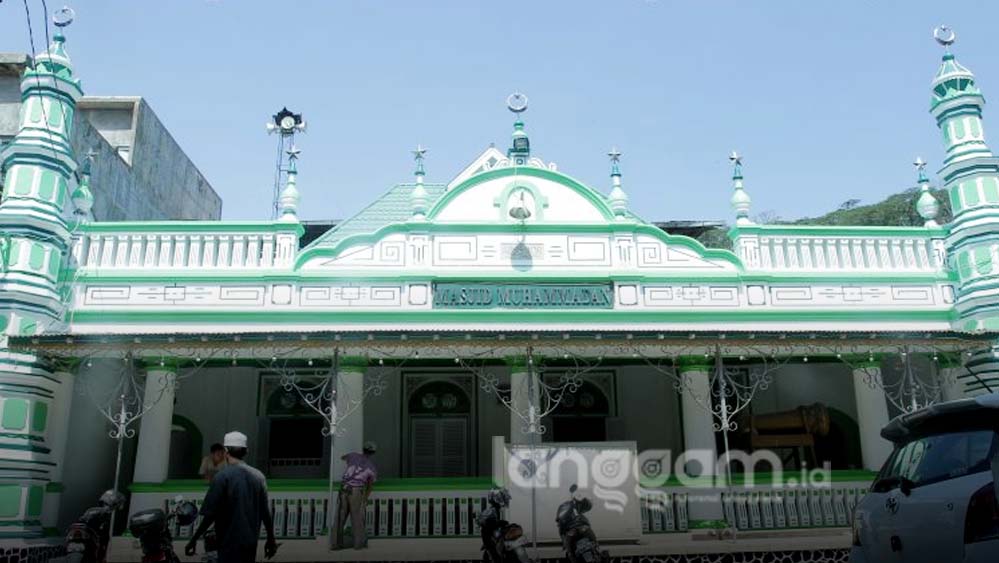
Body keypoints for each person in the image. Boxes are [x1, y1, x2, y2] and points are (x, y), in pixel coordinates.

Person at [186, 431, 278, 563]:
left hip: (227, 544)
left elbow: (210, 514)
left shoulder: (222, 477)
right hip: (250, 544)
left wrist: (193, 540)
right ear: (246, 452)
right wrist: (271, 539)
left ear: (225, 451)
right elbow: (265, 512)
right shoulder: (259, 476)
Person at [333, 441, 378, 550]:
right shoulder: (371, 467)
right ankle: (358, 544)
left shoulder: (353, 455)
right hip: (356, 491)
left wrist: (352, 460)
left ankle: (336, 544)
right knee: (357, 518)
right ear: (373, 453)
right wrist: (365, 499)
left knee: (340, 517)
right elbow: (370, 486)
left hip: (343, 489)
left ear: (363, 450)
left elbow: (342, 457)